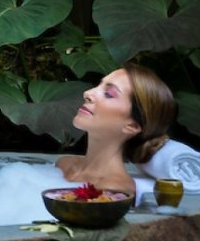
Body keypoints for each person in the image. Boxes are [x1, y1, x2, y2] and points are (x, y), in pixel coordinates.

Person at [57, 63, 177, 195]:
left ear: (132, 126)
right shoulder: (64, 165)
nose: (87, 93)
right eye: (97, 86)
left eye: (109, 94)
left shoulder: (113, 190)